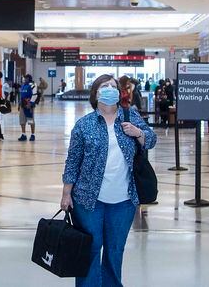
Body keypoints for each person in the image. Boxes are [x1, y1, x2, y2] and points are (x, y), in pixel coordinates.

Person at [61, 74, 157, 287]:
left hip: (124, 201)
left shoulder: (129, 115)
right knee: (90, 251)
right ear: (96, 93)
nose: (110, 89)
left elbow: (151, 140)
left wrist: (138, 132)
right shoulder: (84, 125)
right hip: (88, 201)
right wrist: (66, 193)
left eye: (113, 86)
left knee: (115, 252)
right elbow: (73, 160)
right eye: (105, 86)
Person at [18, 74, 38, 142]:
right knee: (22, 121)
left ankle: (33, 135)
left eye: (26, 78)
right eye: (24, 78)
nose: (24, 79)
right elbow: (21, 95)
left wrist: (30, 103)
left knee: (30, 120)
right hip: (22, 105)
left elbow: (35, 95)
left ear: (29, 79)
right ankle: (23, 134)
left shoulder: (32, 85)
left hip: (29, 105)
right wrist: (19, 104)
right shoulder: (23, 85)